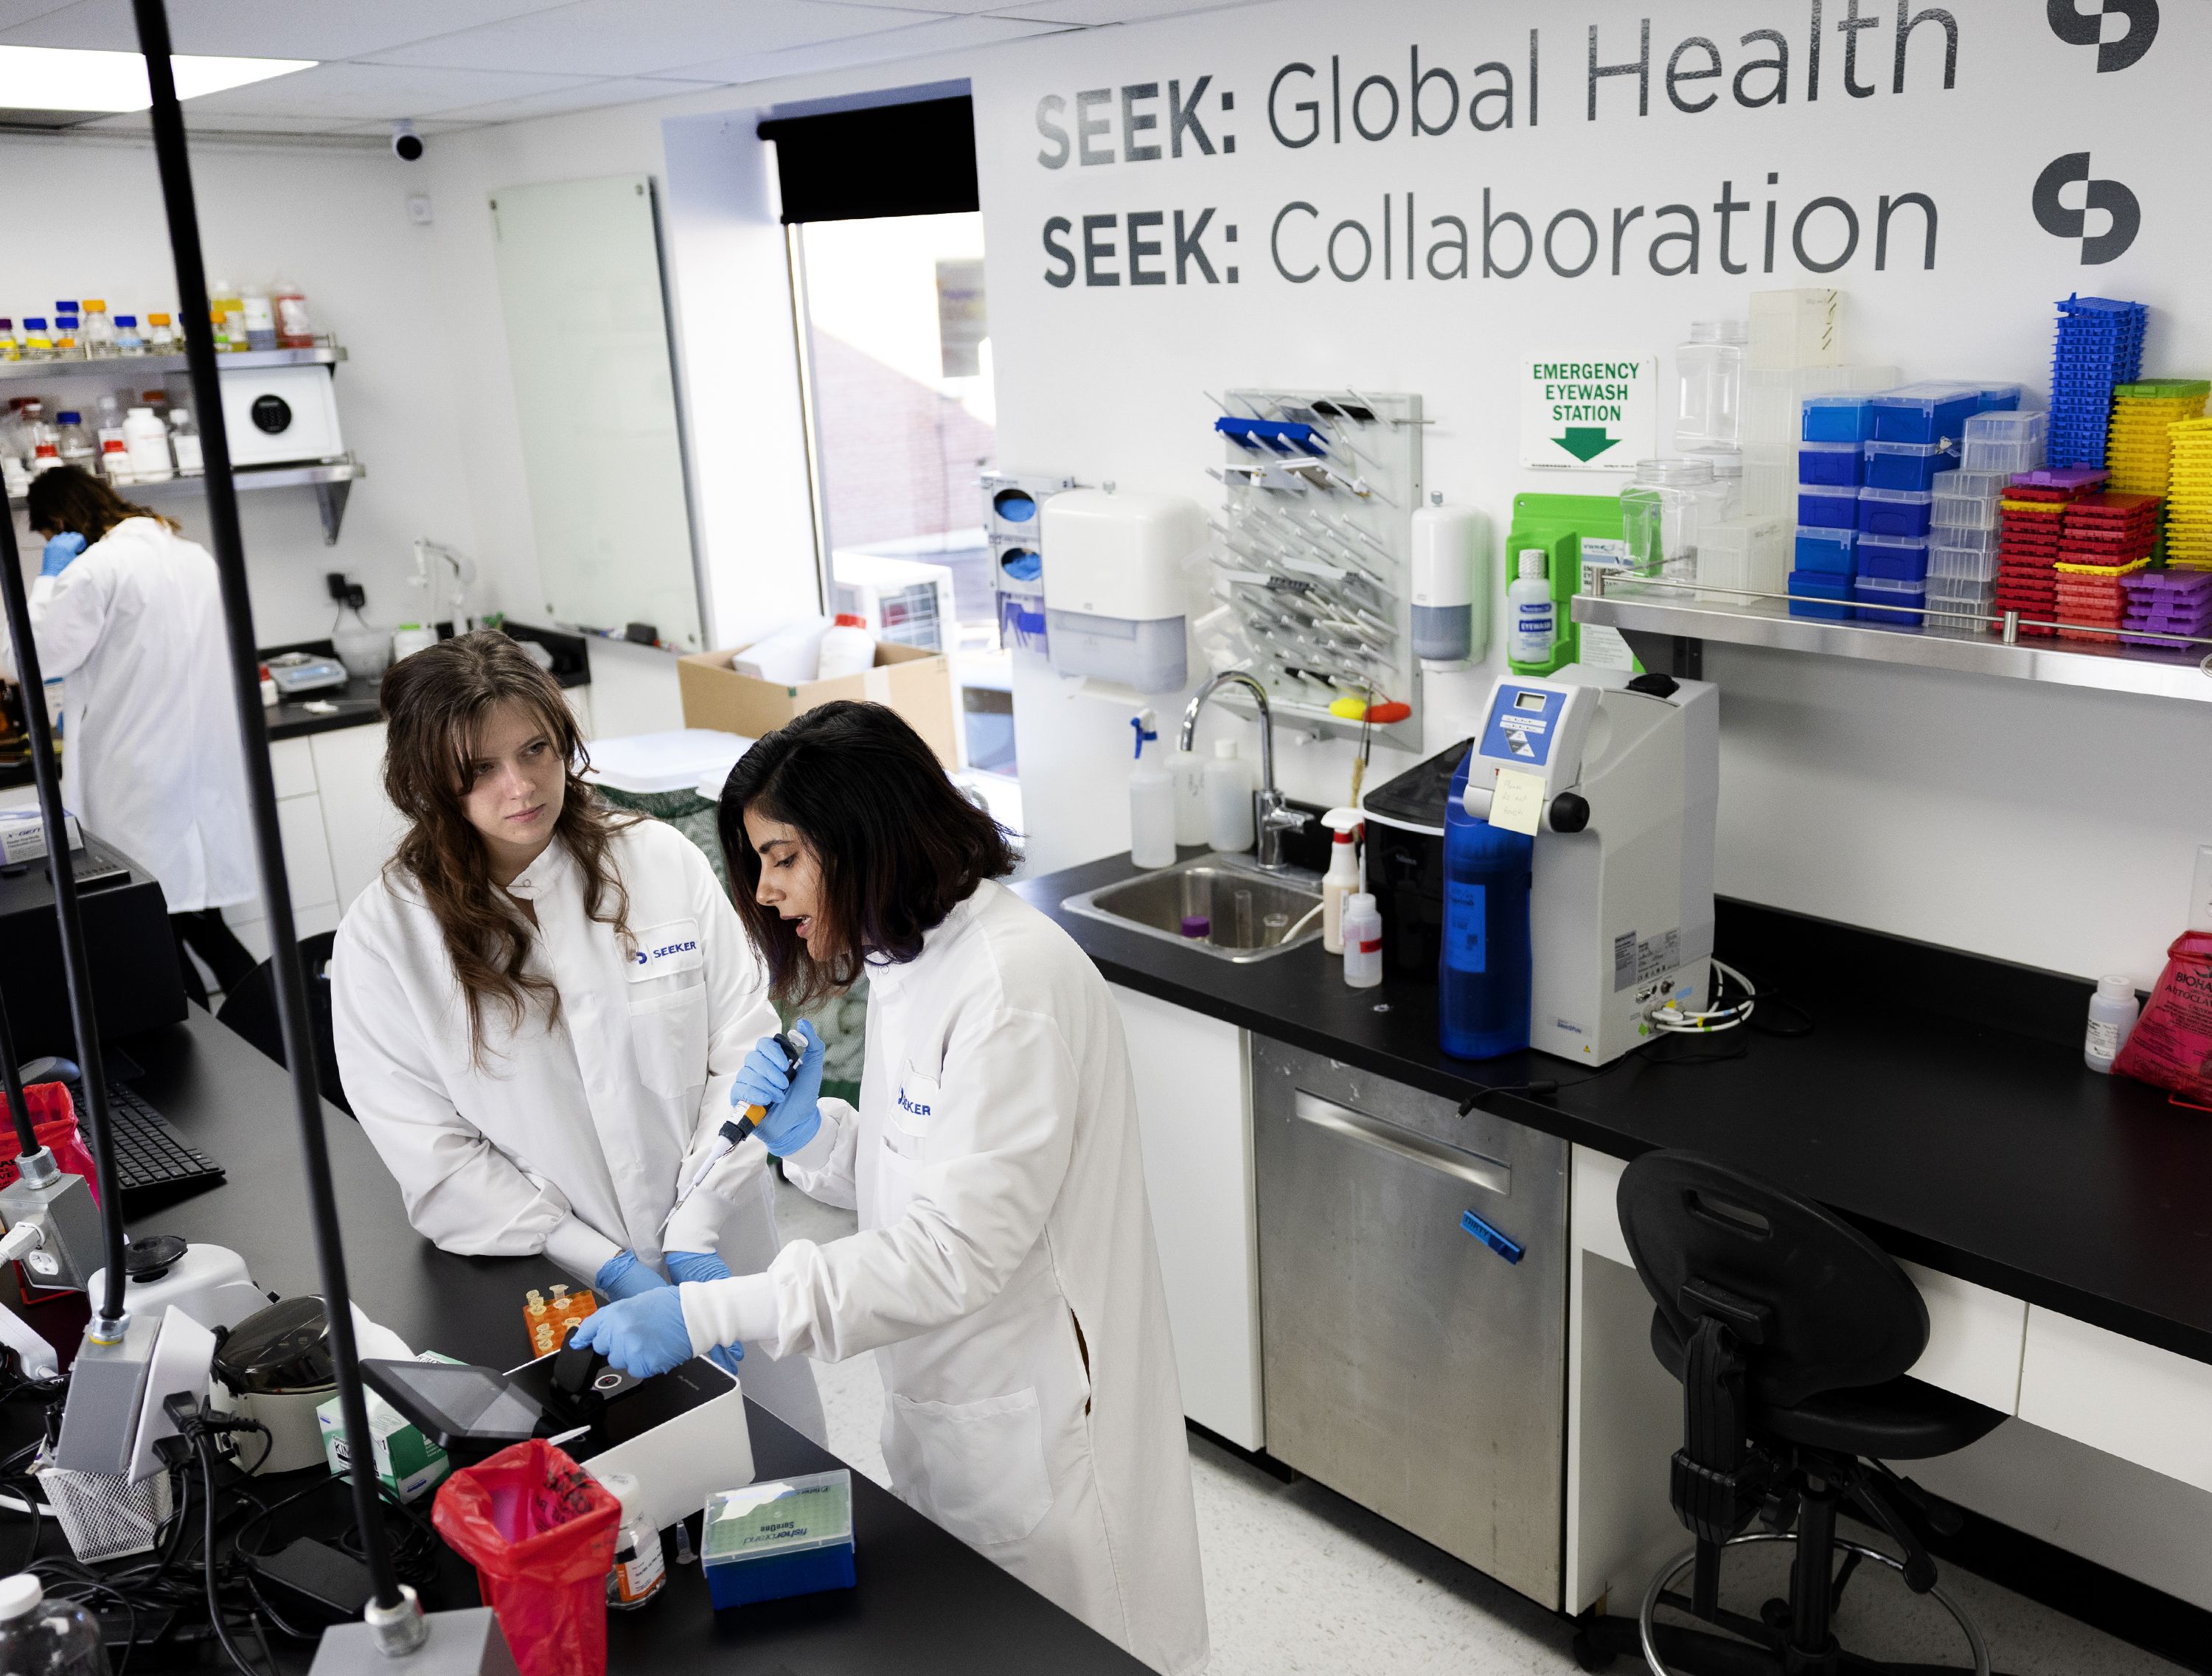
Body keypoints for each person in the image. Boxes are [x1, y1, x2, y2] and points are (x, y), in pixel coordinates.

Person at [576, 700, 1207, 1676]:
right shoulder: (911, 957)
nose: (766, 888)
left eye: (782, 856)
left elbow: (950, 1251)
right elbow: (926, 1170)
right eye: (757, 860)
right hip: (951, 1407)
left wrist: (708, 1311)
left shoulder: (1010, 989)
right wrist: (811, 1136)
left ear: (861, 832)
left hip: (1041, 1429)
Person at [328, 631, 822, 1438]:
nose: (520, 785)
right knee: (634, 1508)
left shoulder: (659, 861)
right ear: (427, 782)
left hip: (723, 1246)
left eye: (536, 749)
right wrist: (613, 1267)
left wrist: (693, 1238)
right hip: (554, 1282)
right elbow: (436, 1155)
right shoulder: (387, 939)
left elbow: (741, 1050)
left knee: (787, 1471)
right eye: (479, 769)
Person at [0, 465, 255, 1001]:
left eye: (48, 534)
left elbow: (26, 656)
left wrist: (49, 578)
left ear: (63, 520)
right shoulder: (192, 557)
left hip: (138, 776)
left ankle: (224, 1063)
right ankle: (280, 1043)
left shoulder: (97, 568)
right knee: (200, 922)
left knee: (158, 930)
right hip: (201, 768)